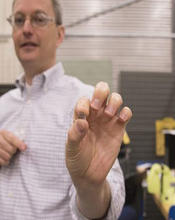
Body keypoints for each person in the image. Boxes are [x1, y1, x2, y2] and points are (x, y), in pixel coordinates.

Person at [0, 0, 132, 219]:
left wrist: (90, 187)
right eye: (19, 20)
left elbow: (108, 208)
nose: (26, 29)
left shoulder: (87, 105)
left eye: (39, 19)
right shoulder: (3, 106)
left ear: (60, 34)